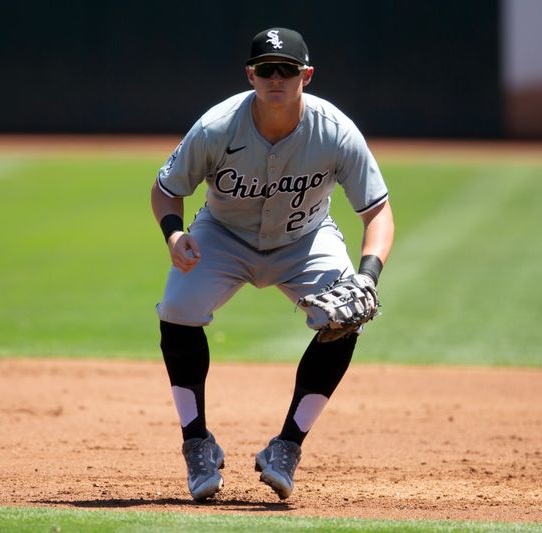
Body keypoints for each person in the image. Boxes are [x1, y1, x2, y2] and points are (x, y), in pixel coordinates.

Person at [150, 27, 394, 502]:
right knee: (177, 309)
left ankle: (287, 447)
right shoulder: (218, 126)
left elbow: (378, 211)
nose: (276, 78)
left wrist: (367, 275)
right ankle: (196, 443)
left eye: (287, 70)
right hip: (222, 236)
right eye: (266, 69)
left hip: (305, 240)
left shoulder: (335, 131)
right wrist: (175, 233)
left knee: (346, 320)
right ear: (251, 75)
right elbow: (165, 188)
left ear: (307, 75)